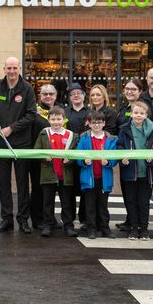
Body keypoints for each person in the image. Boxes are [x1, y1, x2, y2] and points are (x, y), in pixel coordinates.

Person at [0, 57, 36, 234]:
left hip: (21, 144)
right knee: (3, 183)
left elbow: (31, 115)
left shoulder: (27, 89)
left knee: (22, 183)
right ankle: (6, 219)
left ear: (20, 68)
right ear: (4, 68)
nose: (12, 71)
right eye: (9, 68)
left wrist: (12, 129)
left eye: (15, 68)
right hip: (1, 144)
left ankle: (23, 219)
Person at [117, 101, 153, 241]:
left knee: (144, 202)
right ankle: (134, 228)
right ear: (131, 113)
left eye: (141, 113)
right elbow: (119, 146)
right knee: (131, 201)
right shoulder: (124, 129)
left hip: (147, 172)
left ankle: (144, 229)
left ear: (146, 115)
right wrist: (122, 158)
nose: (138, 115)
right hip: (130, 171)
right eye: (136, 112)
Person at [33, 106, 78, 237]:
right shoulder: (43, 133)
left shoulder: (71, 135)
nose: (56, 122)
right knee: (48, 202)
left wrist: (69, 160)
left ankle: (68, 225)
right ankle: (47, 225)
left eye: (59, 119)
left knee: (66, 203)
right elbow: (36, 151)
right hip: (48, 174)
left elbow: (75, 153)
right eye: (53, 119)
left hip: (65, 175)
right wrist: (43, 158)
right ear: (48, 120)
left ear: (64, 120)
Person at [76, 110, 118, 239]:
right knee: (90, 206)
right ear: (89, 124)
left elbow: (115, 157)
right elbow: (77, 156)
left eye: (99, 123)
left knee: (103, 205)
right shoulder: (84, 138)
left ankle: (105, 228)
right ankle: (91, 229)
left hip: (104, 178)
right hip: (89, 178)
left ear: (104, 123)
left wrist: (109, 162)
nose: (96, 125)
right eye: (94, 123)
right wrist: (83, 161)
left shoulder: (110, 139)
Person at [114, 77, 144, 232]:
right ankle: (130, 219)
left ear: (139, 91)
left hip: (139, 158)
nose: (130, 91)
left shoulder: (144, 109)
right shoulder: (123, 108)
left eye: (133, 89)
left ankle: (137, 221)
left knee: (139, 191)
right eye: (127, 89)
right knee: (127, 190)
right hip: (124, 156)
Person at [28, 84, 59, 229]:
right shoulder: (35, 112)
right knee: (38, 189)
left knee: (51, 189)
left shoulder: (59, 111)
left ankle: (50, 217)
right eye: (45, 94)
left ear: (56, 95)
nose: (48, 96)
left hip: (55, 158)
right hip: (39, 158)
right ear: (40, 96)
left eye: (51, 94)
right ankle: (37, 219)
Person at [65, 82, 89, 226]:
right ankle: (70, 217)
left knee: (85, 187)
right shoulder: (65, 112)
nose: (76, 96)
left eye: (79, 93)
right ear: (69, 97)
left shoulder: (89, 112)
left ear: (84, 95)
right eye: (73, 94)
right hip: (70, 155)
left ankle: (84, 218)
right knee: (70, 188)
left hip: (85, 156)